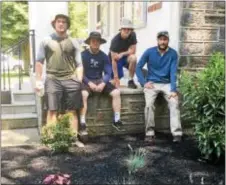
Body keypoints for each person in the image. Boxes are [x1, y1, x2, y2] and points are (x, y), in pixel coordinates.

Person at [35, 14, 85, 147]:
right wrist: (38, 80)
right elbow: (39, 62)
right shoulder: (46, 41)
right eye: (58, 21)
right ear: (55, 24)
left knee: (72, 110)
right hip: (52, 79)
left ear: (67, 25)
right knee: (52, 110)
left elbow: (79, 64)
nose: (61, 24)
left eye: (64, 22)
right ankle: (50, 140)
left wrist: (79, 80)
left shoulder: (74, 42)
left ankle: (73, 138)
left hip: (71, 79)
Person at [136, 31, 183, 143]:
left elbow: (173, 72)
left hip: (167, 84)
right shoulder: (149, 52)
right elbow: (138, 67)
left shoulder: (173, 54)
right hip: (152, 83)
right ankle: (149, 133)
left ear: (168, 40)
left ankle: (177, 133)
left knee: (174, 103)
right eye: (160, 39)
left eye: (165, 39)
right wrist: (144, 83)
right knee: (149, 105)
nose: (162, 42)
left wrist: (173, 89)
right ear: (157, 40)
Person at [79, 31, 124, 135]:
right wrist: (89, 83)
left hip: (100, 80)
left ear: (100, 43)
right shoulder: (83, 55)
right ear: (89, 42)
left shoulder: (104, 56)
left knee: (116, 93)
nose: (95, 43)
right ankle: (82, 122)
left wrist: (103, 83)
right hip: (86, 80)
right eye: (93, 41)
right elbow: (81, 73)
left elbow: (108, 72)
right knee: (83, 94)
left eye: (97, 41)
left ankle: (116, 120)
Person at [109, 18, 138, 89]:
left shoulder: (133, 35)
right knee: (117, 79)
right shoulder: (115, 41)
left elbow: (133, 50)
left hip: (124, 57)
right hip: (115, 59)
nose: (127, 31)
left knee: (133, 58)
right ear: (121, 29)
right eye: (124, 29)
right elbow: (113, 60)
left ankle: (130, 81)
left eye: (129, 29)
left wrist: (122, 54)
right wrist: (116, 76)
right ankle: (110, 81)